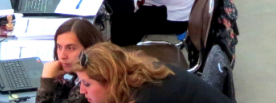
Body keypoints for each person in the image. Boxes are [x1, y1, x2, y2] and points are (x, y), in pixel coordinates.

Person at [74, 42, 232, 102]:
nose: (81, 90)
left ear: (110, 81)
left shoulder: (145, 96)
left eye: (87, 83)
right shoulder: (138, 76)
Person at [36, 18, 104, 103]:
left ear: (89, 48)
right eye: (59, 47)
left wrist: (47, 83)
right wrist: (58, 83)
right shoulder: (79, 76)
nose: (62, 56)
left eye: (71, 48)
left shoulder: (89, 86)